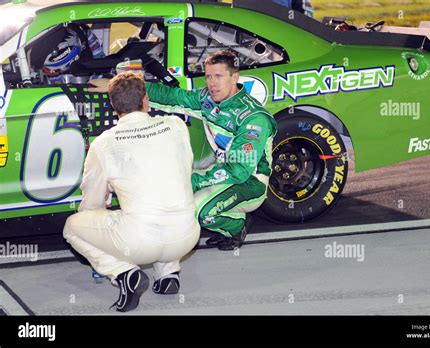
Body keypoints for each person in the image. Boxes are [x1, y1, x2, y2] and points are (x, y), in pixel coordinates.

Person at [92, 51, 277, 251]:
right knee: (173, 193)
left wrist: (193, 181)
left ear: (234, 77)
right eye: (208, 76)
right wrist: (118, 85)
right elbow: (172, 97)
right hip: (222, 172)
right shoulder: (207, 98)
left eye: (219, 76)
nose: (212, 83)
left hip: (250, 181)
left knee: (198, 211)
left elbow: (240, 170)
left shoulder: (254, 118)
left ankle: (236, 226)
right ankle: (226, 217)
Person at [64, 72, 200, 312]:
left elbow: (93, 203)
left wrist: (99, 234)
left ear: (113, 105)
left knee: (72, 227)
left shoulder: (103, 143)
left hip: (140, 242)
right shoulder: (176, 125)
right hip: (187, 237)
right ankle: (168, 275)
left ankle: (125, 274)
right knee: (164, 194)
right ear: (146, 100)